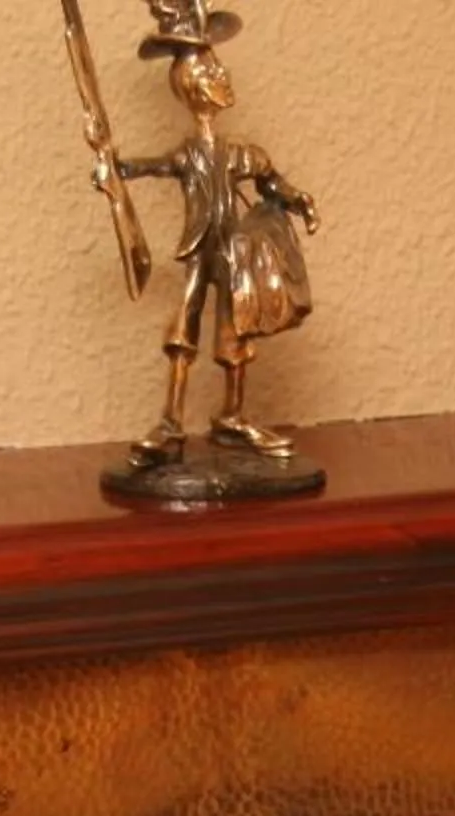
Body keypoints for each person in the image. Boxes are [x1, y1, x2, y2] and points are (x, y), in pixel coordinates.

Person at [101, 2, 320, 471]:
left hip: (235, 252)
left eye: (218, 68)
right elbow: (149, 166)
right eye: (212, 71)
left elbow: (272, 182)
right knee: (184, 326)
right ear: (195, 88)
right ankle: (170, 422)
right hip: (201, 250)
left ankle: (233, 415)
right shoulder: (189, 155)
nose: (223, 77)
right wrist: (114, 168)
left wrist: (298, 200)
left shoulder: (241, 154)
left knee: (236, 329)